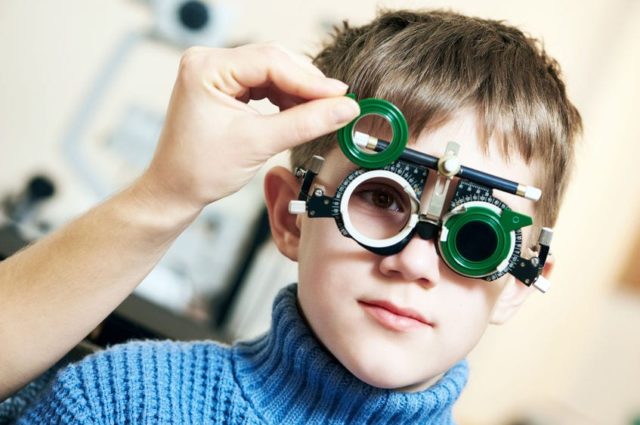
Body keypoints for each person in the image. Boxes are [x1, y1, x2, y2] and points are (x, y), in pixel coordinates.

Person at [8, 9, 581, 424]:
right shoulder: (122, 400)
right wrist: (166, 192)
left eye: (476, 234)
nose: (412, 261)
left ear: (519, 284)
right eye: (381, 196)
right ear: (289, 214)